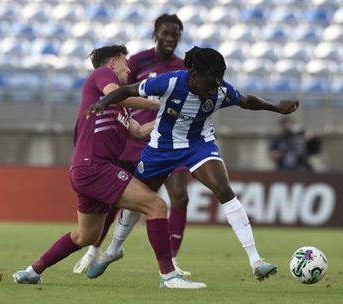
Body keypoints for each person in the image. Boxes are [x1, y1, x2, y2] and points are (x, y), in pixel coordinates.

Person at [86, 46, 299, 281]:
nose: (215, 86)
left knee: (224, 189)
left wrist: (277, 108)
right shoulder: (169, 82)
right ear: (194, 75)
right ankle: (113, 250)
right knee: (141, 201)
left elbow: (247, 101)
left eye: (220, 79)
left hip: (199, 145)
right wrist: (104, 102)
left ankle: (256, 260)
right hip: (161, 148)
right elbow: (126, 90)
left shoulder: (220, 90)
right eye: (211, 79)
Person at [12, 45, 206, 289]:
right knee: (156, 205)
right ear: (113, 62)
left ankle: (32, 271)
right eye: (125, 63)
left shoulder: (120, 107)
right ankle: (169, 276)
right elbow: (118, 93)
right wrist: (159, 104)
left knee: (86, 236)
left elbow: (137, 131)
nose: (129, 69)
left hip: (86, 170)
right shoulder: (102, 75)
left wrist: (171, 118)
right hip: (95, 166)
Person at [72, 14, 193, 276]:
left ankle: (172, 260)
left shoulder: (183, 67)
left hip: (171, 140)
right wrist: (154, 106)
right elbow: (119, 92)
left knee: (180, 196)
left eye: (175, 34)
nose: (170, 38)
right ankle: (96, 249)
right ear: (156, 34)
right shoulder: (138, 61)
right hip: (136, 140)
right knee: (118, 199)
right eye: (166, 33)